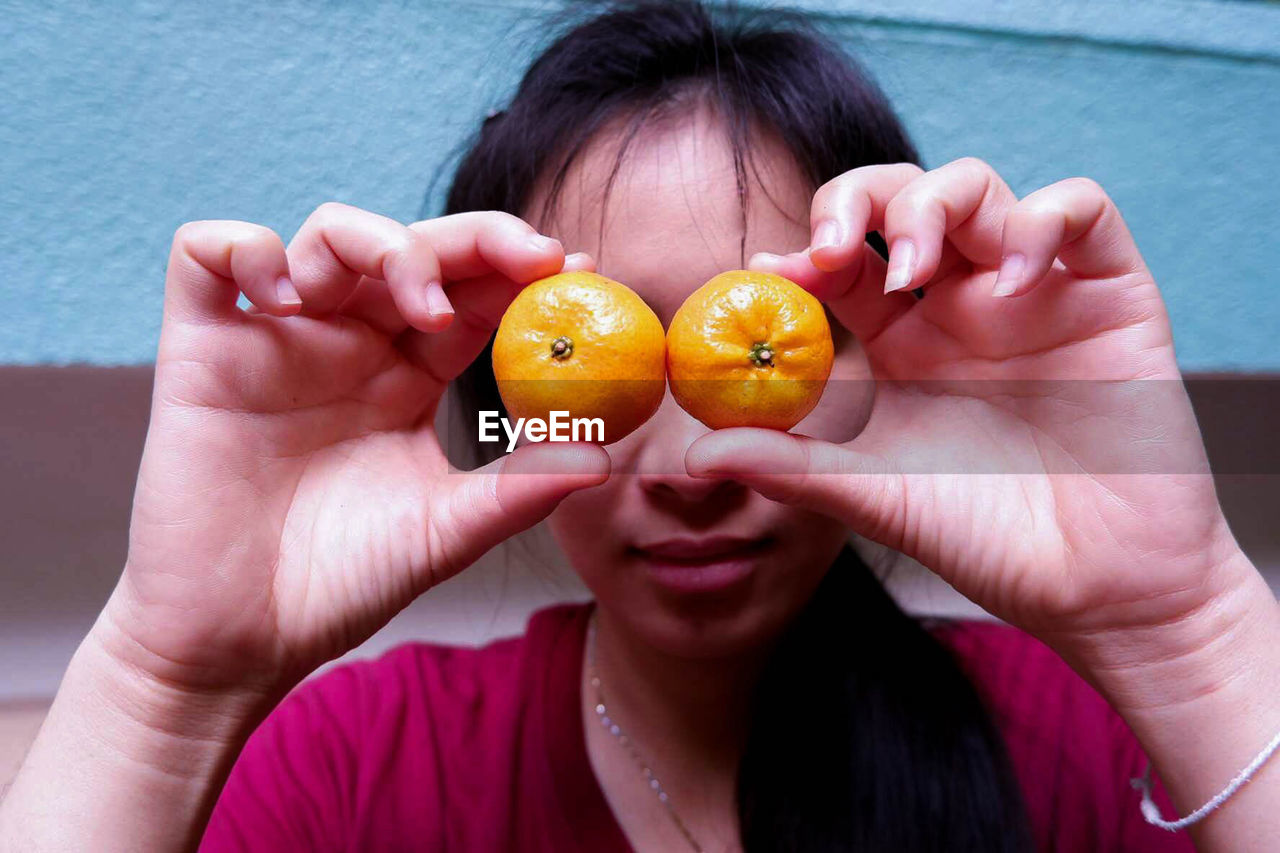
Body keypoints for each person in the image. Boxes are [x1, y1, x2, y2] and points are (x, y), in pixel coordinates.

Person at [2, 2, 1278, 850]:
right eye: (604, 353)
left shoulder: (1086, 749)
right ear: (496, 383)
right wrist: (172, 678)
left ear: (889, 353)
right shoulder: (352, 772)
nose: (682, 470)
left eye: (759, 345)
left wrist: (1187, 629)